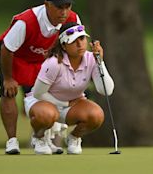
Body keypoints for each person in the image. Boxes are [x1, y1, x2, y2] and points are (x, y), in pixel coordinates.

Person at [0, 0, 82, 155]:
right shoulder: (27, 21)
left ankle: (42, 138)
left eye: (67, 6)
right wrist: (8, 78)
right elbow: (7, 49)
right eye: (59, 7)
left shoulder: (72, 19)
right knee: (9, 92)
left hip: (41, 60)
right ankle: (12, 141)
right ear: (47, 5)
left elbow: (73, 46)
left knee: (48, 95)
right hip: (13, 56)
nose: (64, 12)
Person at [25, 22, 115, 155]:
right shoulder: (54, 63)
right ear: (64, 46)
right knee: (47, 115)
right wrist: (65, 103)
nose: (80, 44)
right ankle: (39, 138)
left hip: (71, 107)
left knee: (96, 115)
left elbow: (106, 90)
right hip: (42, 102)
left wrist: (100, 62)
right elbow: (39, 93)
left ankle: (74, 138)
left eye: (82, 38)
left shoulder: (91, 59)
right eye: (73, 41)